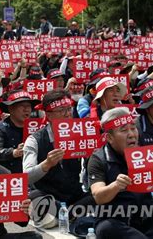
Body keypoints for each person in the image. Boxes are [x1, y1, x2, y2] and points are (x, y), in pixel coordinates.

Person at [88, 107, 153, 239]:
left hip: (145, 217)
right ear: (109, 137)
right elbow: (98, 196)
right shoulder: (98, 158)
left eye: (133, 128)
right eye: (124, 130)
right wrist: (116, 186)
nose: (131, 134)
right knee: (106, 229)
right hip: (116, 221)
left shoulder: (147, 153)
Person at [23, 90, 93, 229]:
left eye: (69, 109)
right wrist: (46, 164)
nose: (68, 114)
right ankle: (71, 215)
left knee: (100, 196)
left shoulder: (82, 134)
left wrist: (94, 154)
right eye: (61, 110)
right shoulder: (34, 140)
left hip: (75, 195)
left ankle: (70, 214)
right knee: (36, 199)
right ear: (48, 115)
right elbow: (26, 177)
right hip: (49, 195)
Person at [0, 90, 39, 173]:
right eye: (22, 106)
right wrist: (14, 152)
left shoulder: (38, 127)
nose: (26, 109)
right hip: (10, 176)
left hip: (34, 175)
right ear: (10, 109)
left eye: (28, 106)